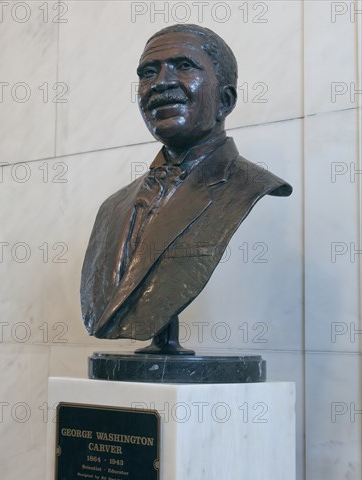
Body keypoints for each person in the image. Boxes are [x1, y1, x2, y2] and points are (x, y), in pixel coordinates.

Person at [80, 24, 292, 345]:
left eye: (183, 66)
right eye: (148, 72)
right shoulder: (113, 207)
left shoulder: (248, 185)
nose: (160, 82)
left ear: (226, 100)